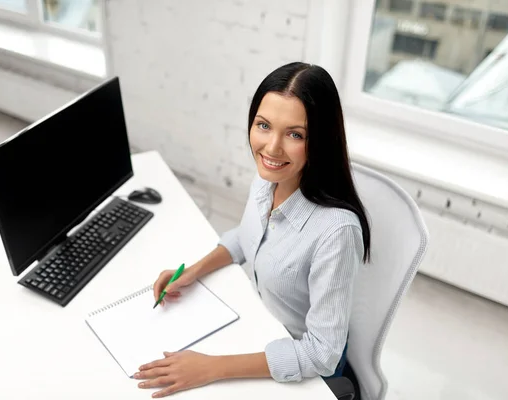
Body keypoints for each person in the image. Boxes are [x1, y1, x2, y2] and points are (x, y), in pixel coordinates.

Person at [134, 62, 371, 398]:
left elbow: (322, 353)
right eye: (263, 125)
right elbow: (248, 237)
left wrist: (213, 367)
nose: (271, 148)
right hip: (258, 325)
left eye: (295, 134)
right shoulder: (267, 179)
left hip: (301, 363)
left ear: (321, 140)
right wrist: (193, 272)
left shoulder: (336, 233)